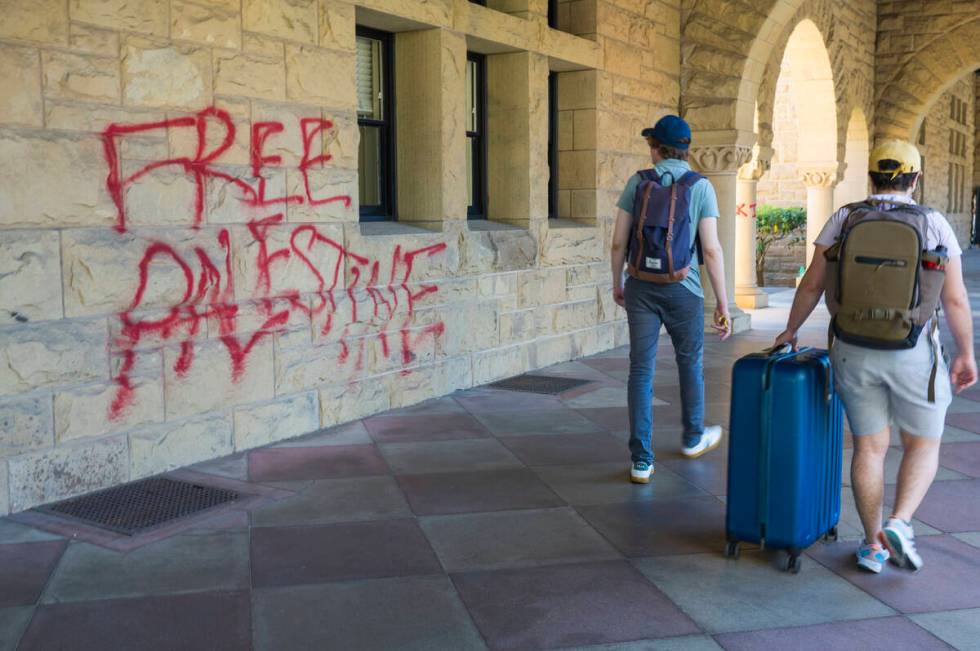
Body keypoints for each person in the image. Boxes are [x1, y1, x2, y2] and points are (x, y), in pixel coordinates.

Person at [774, 140, 977, 573]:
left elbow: (812, 284)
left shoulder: (845, 217)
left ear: (871, 176)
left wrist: (790, 330)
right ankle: (900, 523)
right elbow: (956, 299)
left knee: (869, 446)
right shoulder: (933, 222)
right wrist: (966, 353)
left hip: (851, 347)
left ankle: (872, 546)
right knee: (922, 443)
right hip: (913, 349)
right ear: (915, 179)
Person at [610, 115, 732, 485]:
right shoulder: (701, 186)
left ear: (656, 148)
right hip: (685, 289)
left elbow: (618, 241)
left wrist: (617, 281)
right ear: (686, 148)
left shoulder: (638, 182)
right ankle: (693, 437)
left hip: (640, 286)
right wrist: (723, 304)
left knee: (640, 369)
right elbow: (710, 250)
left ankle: (641, 460)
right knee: (689, 363)